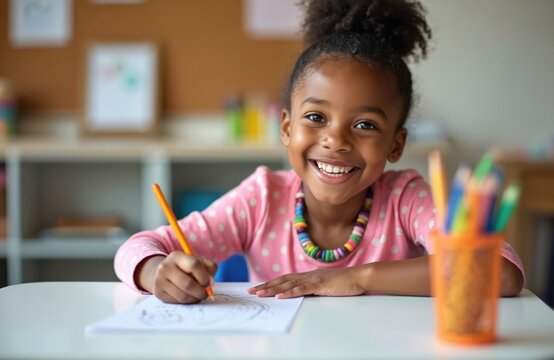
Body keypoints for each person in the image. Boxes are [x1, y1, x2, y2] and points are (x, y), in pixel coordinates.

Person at [114, 0, 524, 304]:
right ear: (287, 128)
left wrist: (355, 277)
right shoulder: (262, 198)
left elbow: (499, 273)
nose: (336, 140)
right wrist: (155, 273)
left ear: (396, 144)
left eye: (365, 125)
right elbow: (138, 247)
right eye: (315, 117)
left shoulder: (406, 199)